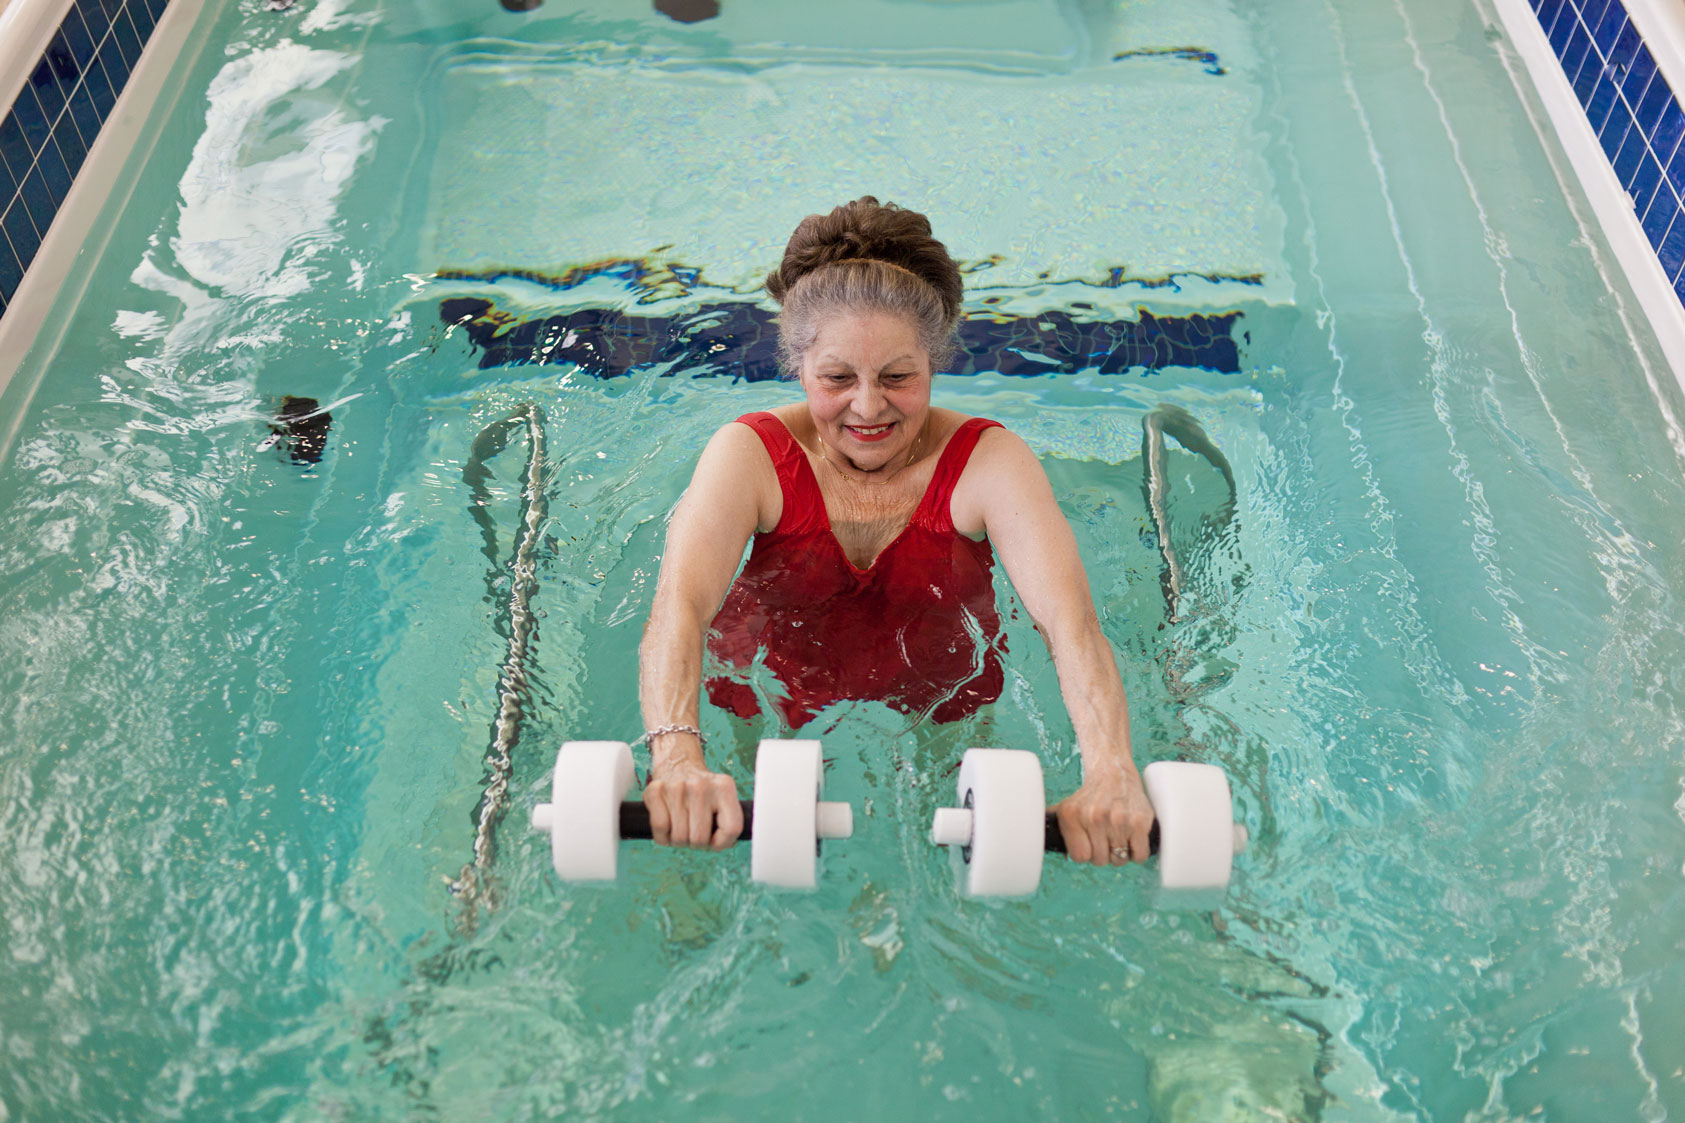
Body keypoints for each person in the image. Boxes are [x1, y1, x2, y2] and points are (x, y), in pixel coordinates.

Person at [637, 197, 1153, 868]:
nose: (869, 406)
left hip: (941, 692)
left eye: (899, 377)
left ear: (935, 363)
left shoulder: (989, 462)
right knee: (729, 858)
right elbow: (678, 605)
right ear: (797, 368)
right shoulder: (749, 454)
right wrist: (676, 755)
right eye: (836, 378)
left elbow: (1069, 623)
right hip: (767, 686)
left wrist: (1112, 767)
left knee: (949, 869)